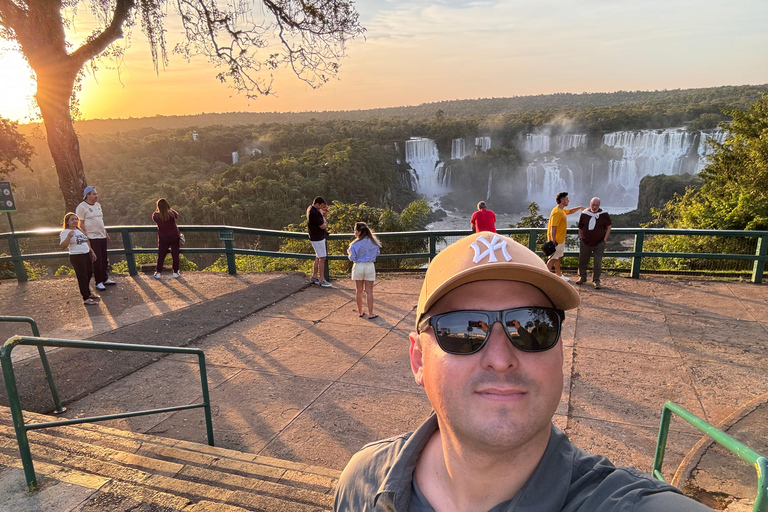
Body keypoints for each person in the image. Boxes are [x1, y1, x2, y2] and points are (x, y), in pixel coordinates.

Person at [334, 232, 712, 512]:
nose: (501, 358)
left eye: (533, 327)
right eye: (464, 330)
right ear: (418, 360)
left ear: (561, 351)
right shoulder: (361, 484)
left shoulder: (623, 504)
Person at [76, 186, 115, 291]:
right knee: (97, 260)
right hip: (92, 237)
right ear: (87, 195)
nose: (96, 196)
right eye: (93, 194)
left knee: (104, 258)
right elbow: (80, 223)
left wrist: (105, 233)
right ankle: (98, 281)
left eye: (96, 193)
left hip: (101, 235)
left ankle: (104, 277)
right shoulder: (82, 207)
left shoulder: (98, 205)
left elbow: (100, 220)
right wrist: (86, 237)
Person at [60, 212, 99, 306]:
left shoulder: (79, 230)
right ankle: (85, 297)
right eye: (72, 219)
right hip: (76, 256)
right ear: (67, 222)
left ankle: (88, 292)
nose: (75, 221)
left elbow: (86, 242)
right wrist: (69, 237)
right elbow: (63, 246)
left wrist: (91, 252)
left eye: (76, 219)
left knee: (89, 273)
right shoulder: (65, 232)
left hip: (86, 254)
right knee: (82, 276)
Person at [546, 192, 584, 281]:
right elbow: (553, 227)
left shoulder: (561, 210)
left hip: (560, 239)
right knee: (552, 259)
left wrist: (579, 208)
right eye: (567, 199)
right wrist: (553, 240)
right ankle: (546, 275)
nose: (568, 200)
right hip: (557, 240)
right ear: (562, 201)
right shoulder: (557, 212)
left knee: (557, 258)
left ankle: (559, 276)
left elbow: (570, 211)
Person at [348, 222, 381, 319]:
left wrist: (349, 253)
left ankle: (360, 311)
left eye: (355, 230)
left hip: (358, 266)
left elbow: (352, 257)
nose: (354, 232)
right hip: (370, 265)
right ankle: (371, 313)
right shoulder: (374, 241)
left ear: (359, 232)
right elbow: (377, 253)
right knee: (369, 291)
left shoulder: (355, 244)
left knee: (359, 290)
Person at [577, 197, 612, 289]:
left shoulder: (604, 214)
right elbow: (580, 226)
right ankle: (582, 277)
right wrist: (580, 237)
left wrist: (604, 239)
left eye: (596, 205)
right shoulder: (584, 214)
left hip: (599, 243)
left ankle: (596, 280)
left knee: (597, 263)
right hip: (585, 242)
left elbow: (609, 226)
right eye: (593, 205)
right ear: (590, 204)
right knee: (583, 261)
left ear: (599, 205)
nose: (594, 207)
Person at [152, 198, 182, 279]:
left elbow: (155, 219)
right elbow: (177, 215)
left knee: (161, 255)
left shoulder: (156, 215)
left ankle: (158, 272)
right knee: (175, 254)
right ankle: (175, 272)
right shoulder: (171, 214)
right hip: (174, 236)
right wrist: (169, 208)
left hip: (163, 237)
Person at [307, 196, 332, 287]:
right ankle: (322, 279)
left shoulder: (310, 209)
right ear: (317, 204)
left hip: (314, 237)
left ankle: (314, 276)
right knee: (322, 258)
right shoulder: (314, 213)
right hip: (318, 238)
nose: (321, 208)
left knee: (318, 257)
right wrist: (325, 220)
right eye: (321, 205)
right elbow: (323, 226)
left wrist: (321, 215)